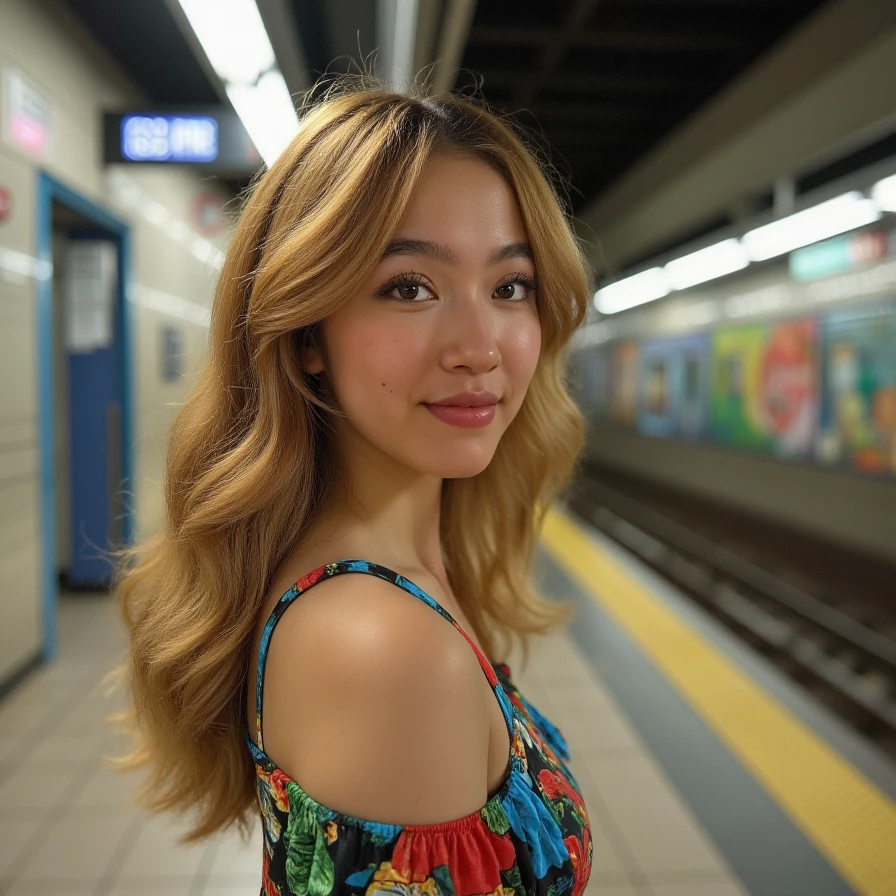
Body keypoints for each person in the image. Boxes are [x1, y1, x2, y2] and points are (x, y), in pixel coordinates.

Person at [112, 81, 593, 896]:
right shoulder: (385, 651)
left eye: (510, 286)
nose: (480, 346)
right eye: (409, 286)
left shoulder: (397, 573)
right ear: (306, 336)